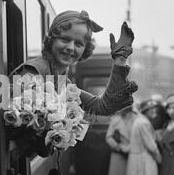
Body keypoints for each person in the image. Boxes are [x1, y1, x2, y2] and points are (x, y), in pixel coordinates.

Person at [10, 10, 138, 115]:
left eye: (78, 44)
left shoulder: (62, 82)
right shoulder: (32, 71)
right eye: (65, 39)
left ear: (85, 49)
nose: (71, 47)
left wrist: (120, 59)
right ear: (52, 40)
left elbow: (101, 107)